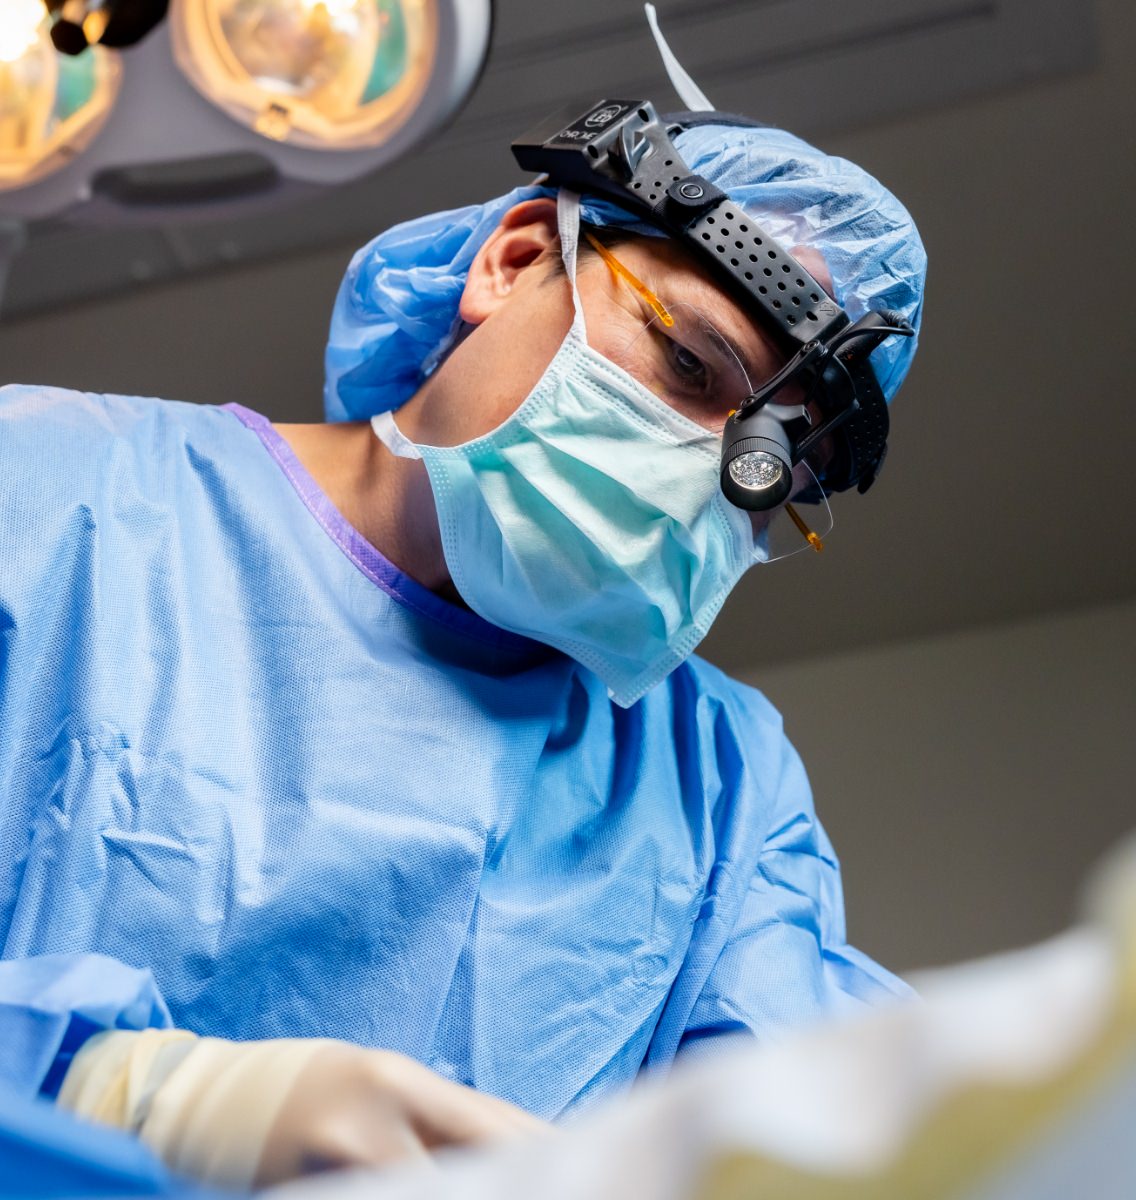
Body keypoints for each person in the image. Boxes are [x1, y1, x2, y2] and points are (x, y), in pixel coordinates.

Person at [0, 51, 926, 1197]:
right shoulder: (47, 494)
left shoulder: (717, 786)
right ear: (518, 259)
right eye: (689, 364)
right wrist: (103, 1094)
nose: (704, 473)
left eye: (763, 473)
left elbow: (818, 1142)